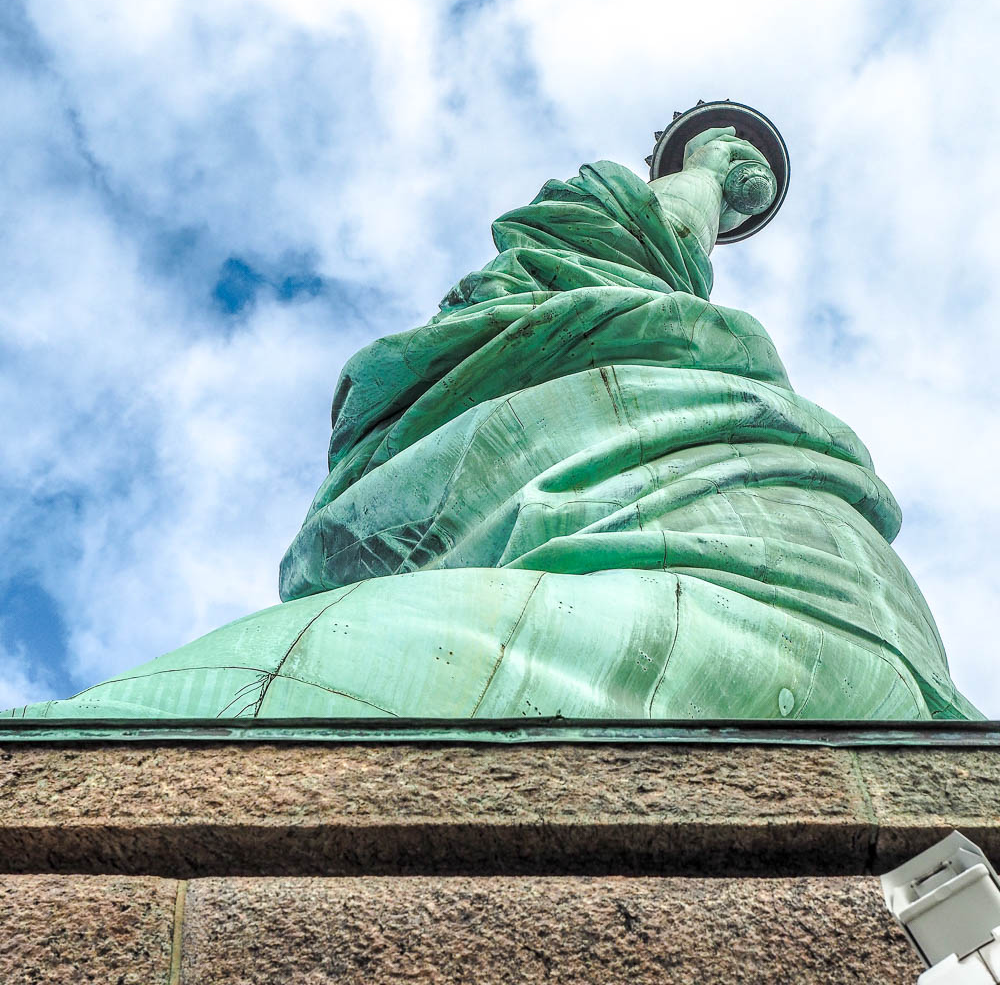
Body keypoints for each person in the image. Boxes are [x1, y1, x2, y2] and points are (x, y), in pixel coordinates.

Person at [5, 130, 980, 721]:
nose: (479, 295)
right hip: (840, 635)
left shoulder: (624, 290)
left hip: (768, 593)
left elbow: (654, 231)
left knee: (236, 702)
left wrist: (702, 177)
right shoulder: (591, 285)